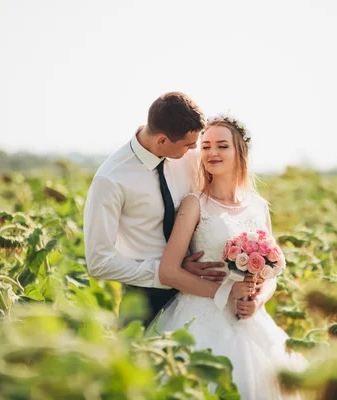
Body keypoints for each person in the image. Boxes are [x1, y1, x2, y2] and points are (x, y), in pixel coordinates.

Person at [153, 115, 303, 399]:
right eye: (206, 146)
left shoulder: (258, 206)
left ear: (239, 152)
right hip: (201, 316)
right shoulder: (194, 203)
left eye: (222, 146)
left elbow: (272, 273)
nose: (212, 153)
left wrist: (258, 301)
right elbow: (168, 272)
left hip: (249, 320)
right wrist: (226, 291)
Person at [83, 92, 258, 326]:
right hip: (145, 298)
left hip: (205, 296)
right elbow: (99, 262)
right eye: (188, 145)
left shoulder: (189, 155)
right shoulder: (111, 180)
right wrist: (169, 273)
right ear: (162, 141)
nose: (197, 150)